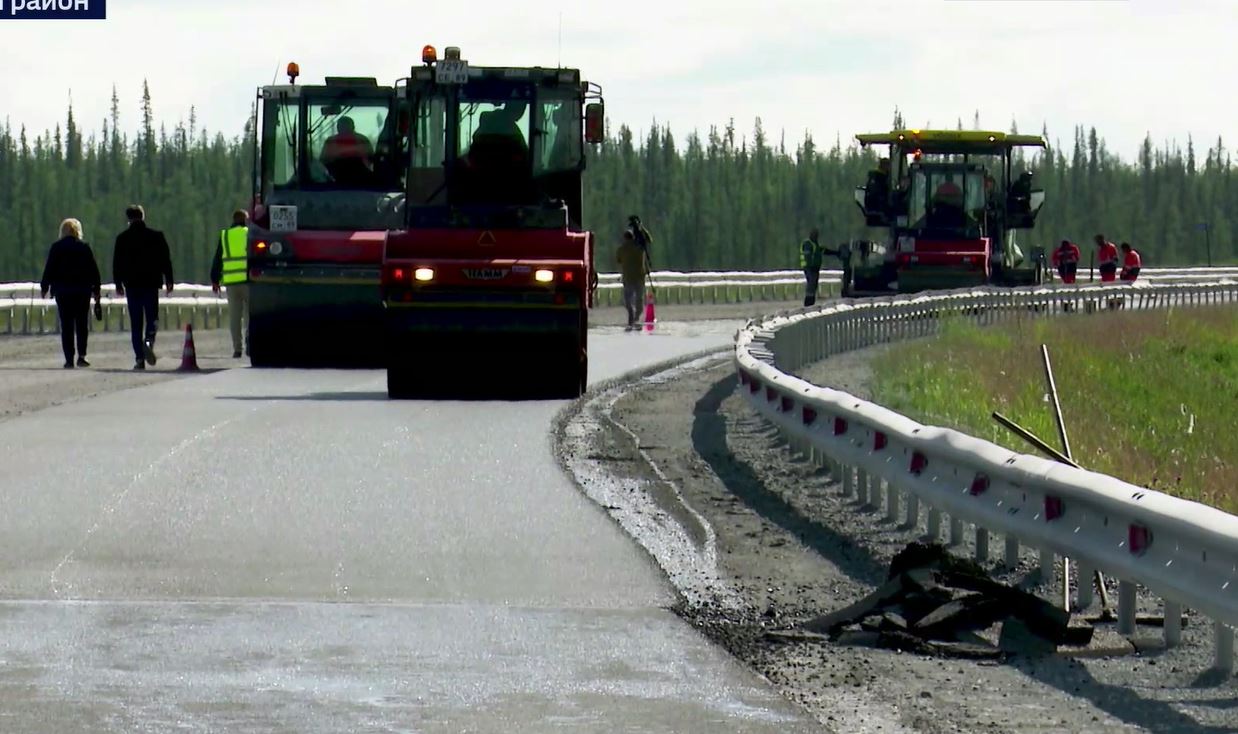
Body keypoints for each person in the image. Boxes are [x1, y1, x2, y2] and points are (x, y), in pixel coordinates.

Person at [113, 204, 174, 370]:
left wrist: (118, 284)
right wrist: (169, 280)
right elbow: (165, 260)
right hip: (151, 284)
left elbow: (117, 264)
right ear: (143, 216)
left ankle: (139, 358)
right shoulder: (156, 236)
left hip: (132, 285)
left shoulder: (122, 238)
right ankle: (149, 341)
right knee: (152, 318)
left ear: (128, 218)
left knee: (136, 322)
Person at [40, 218, 101, 368]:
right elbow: (94, 270)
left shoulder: (56, 247)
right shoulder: (84, 247)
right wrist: (96, 289)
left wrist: (45, 287)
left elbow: (49, 268)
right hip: (82, 291)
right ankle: (82, 355)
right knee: (81, 324)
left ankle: (69, 359)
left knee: (66, 325)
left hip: (63, 291)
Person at [211, 209, 251, 358]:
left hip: (231, 283)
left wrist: (215, 280)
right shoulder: (249, 233)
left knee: (235, 318)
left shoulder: (225, 235)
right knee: (249, 316)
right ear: (245, 220)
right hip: (248, 281)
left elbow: (218, 259)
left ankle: (237, 348)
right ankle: (249, 344)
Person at [319, 116, 374, 185]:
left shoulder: (362, 140)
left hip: (361, 181)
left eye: (345, 125)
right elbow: (323, 161)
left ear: (353, 127)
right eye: (341, 125)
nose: (343, 127)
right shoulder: (330, 141)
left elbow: (371, 159)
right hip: (336, 179)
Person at [617, 229, 649, 330]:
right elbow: (648, 240)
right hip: (639, 277)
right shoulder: (639, 248)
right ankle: (636, 318)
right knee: (639, 299)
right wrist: (641, 228)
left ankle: (632, 316)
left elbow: (618, 260)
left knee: (628, 300)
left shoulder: (622, 249)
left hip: (628, 278)